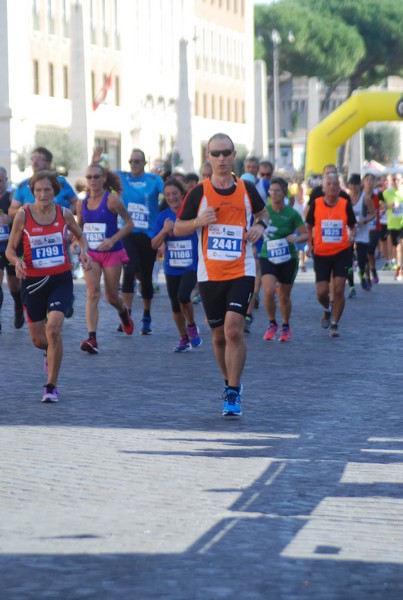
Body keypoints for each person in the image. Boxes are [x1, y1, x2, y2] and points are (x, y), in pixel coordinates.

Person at [174, 133, 268, 416]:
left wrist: (260, 228)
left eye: (226, 153)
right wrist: (197, 222)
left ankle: (233, 391)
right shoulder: (198, 193)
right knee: (217, 337)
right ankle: (228, 381)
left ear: (234, 154)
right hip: (210, 274)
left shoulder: (246, 189)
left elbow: (263, 215)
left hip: (242, 270)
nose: (222, 158)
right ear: (208, 156)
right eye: (216, 154)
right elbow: (177, 227)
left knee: (233, 330)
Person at [5, 170, 92, 402]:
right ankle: (49, 351)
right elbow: (10, 250)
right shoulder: (23, 215)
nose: (43, 194)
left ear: (55, 191)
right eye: (38, 190)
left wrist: (83, 251)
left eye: (47, 190)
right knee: (39, 339)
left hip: (59, 279)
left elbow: (80, 237)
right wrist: (17, 261)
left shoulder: (64, 214)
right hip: (33, 282)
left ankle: (51, 386)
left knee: (53, 329)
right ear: (32, 192)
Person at [93, 147, 164, 334]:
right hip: (127, 232)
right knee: (130, 270)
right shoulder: (121, 177)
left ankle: (147, 316)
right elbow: (96, 176)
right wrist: (96, 160)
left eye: (137, 161)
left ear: (144, 163)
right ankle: (127, 316)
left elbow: (171, 194)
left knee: (146, 277)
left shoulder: (153, 180)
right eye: (131, 161)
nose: (133, 165)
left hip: (148, 234)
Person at [76, 164, 134, 354]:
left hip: (112, 252)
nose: (92, 180)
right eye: (89, 177)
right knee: (92, 293)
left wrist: (112, 240)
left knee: (111, 296)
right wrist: (77, 243)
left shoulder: (112, 201)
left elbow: (129, 224)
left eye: (96, 176)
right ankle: (92, 337)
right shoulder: (81, 203)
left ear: (103, 179)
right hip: (91, 253)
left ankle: (123, 312)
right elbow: (79, 229)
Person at [151, 178, 202, 352]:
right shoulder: (163, 217)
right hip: (172, 266)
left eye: (175, 193)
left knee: (183, 296)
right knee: (175, 304)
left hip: (191, 264)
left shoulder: (192, 212)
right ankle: (183, 338)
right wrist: (165, 230)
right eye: (168, 195)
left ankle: (192, 326)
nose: (172, 197)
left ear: (182, 194)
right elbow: (154, 244)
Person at [306, 172, 357, 338]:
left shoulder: (344, 203)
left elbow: (353, 226)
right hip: (321, 252)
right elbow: (308, 225)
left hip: (342, 251)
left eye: (335, 184)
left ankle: (334, 324)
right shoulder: (316, 203)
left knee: (339, 288)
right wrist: (309, 244)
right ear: (323, 187)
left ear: (339, 187)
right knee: (321, 292)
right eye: (329, 184)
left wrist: (352, 235)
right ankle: (328, 309)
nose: (332, 187)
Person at [260, 177, 308, 342]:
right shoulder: (264, 211)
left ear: (284, 193)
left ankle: (286, 325)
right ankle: (272, 323)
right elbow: (253, 227)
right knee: (268, 291)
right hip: (268, 256)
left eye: (277, 191)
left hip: (288, 258)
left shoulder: (292, 213)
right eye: (271, 191)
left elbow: (305, 234)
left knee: (284, 296)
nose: (273, 194)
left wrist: (297, 238)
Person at [9, 147, 78, 217]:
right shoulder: (23, 185)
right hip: (32, 227)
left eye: (39, 159)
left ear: (49, 164)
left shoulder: (60, 182)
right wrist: (24, 210)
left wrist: (65, 216)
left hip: (57, 226)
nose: (35, 161)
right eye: (33, 158)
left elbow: (76, 202)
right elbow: (11, 211)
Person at [0, 167, 25, 331]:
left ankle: (18, 306)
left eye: (0, 180)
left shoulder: (11, 197)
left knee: (14, 285)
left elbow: (23, 215)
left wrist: (11, 218)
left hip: (11, 246)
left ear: (6, 181)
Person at [347, 173, 375, 293]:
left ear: (360, 185)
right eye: (351, 184)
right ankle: (352, 286)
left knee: (362, 261)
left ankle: (363, 278)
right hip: (349, 233)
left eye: (356, 185)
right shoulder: (346, 198)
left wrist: (365, 220)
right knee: (347, 261)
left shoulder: (365, 198)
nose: (353, 187)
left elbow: (373, 214)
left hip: (362, 233)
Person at [382, 171, 403, 281]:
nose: (396, 182)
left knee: (401, 245)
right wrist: (391, 205)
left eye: (398, 179)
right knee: (396, 247)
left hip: (402, 223)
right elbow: (383, 205)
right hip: (393, 224)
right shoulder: (387, 193)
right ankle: (398, 268)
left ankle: (400, 267)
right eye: (394, 179)